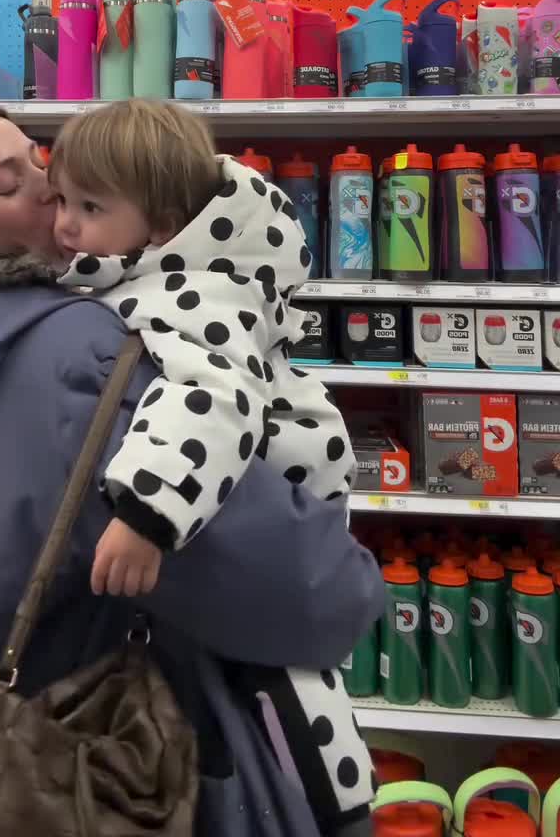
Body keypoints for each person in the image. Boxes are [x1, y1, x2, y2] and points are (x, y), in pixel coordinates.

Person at [0, 101, 384, 837]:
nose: (48, 188)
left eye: (38, 161)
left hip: (11, 738)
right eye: (10, 185)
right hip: (118, 758)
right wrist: (361, 584)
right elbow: (309, 590)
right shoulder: (82, 352)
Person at [51, 99, 374, 835]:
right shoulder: (166, 268)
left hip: (280, 476)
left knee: (289, 682)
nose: (66, 224)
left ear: (163, 224)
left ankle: (338, 807)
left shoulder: (192, 292)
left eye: (90, 207)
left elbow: (212, 398)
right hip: (259, 492)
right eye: (60, 200)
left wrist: (146, 514)